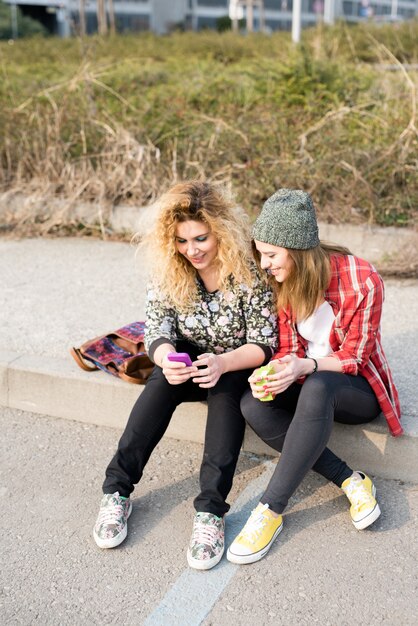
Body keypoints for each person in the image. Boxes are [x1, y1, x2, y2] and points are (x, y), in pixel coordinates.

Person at [93, 180, 277, 570]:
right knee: (160, 384)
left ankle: (210, 513)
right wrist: (165, 358)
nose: (191, 250)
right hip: (187, 357)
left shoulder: (248, 271)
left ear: (221, 232)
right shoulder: (170, 269)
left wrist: (225, 362)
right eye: (181, 241)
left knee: (226, 396)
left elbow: (266, 342)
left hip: (234, 361)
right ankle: (116, 493)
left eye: (201, 238)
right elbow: (156, 329)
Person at [226, 188, 402, 565]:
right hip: (308, 379)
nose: (265, 263)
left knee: (319, 385)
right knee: (252, 402)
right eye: (261, 253)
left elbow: (356, 356)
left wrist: (306, 367)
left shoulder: (362, 280)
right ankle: (351, 480)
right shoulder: (282, 280)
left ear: (298, 250)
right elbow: (290, 347)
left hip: (353, 388)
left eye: (271, 255)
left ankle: (269, 511)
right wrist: (280, 371)